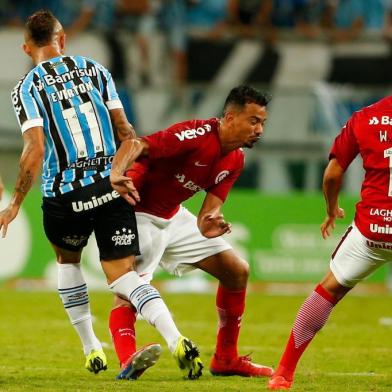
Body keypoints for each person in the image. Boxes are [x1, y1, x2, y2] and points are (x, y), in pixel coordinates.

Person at [0, 9, 202, 381]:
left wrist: (14, 203)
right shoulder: (95, 70)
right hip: (110, 187)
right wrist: (121, 173)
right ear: (62, 40)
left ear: (27, 48)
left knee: (68, 262)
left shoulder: (26, 89)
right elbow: (127, 132)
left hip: (64, 196)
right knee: (124, 276)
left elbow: (35, 149)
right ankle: (175, 338)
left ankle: (91, 346)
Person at [109, 85, 274, 378]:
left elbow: (208, 215)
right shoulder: (194, 135)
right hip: (138, 212)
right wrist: (117, 174)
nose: (259, 129)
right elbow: (136, 144)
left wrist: (212, 223)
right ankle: (127, 360)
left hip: (174, 216)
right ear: (230, 117)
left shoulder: (236, 159)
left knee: (237, 271)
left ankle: (225, 359)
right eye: (253, 121)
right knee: (128, 290)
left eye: (262, 122)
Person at [268, 97, 392, 390]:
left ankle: (283, 373)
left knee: (328, 290)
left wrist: (331, 209)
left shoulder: (364, 118)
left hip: (374, 230)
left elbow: (333, 174)